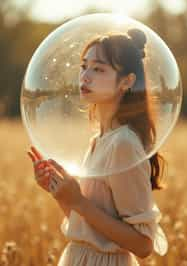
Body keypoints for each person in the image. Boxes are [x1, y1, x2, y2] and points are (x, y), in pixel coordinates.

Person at [27, 28, 168, 266]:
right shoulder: (99, 140)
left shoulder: (123, 143)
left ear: (127, 82)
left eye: (98, 68)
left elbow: (143, 245)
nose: (85, 76)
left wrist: (79, 202)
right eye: (84, 66)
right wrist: (62, 195)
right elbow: (91, 230)